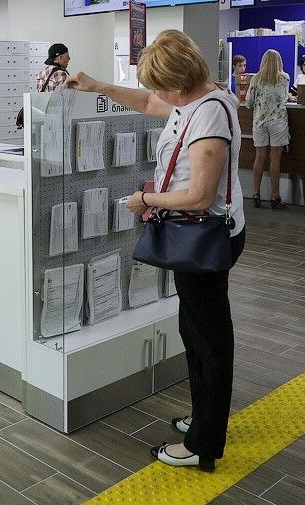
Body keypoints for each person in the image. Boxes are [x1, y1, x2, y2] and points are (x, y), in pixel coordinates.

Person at [65, 29, 246, 473]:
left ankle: (204, 443)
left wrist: (144, 200)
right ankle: (205, 418)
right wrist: (98, 86)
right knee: (196, 331)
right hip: (200, 235)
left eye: (161, 86)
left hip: (203, 236)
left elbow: (200, 196)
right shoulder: (200, 100)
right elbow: (148, 104)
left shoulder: (208, 117)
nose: (156, 95)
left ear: (180, 84)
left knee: (209, 341)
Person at [245, 49, 290, 209]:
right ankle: (274, 196)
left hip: (259, 123)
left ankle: (256, 193)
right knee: (275, 159)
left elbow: (249, 102)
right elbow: (284, 98)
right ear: (279, 61)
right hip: (278, 122)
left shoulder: (255, 79)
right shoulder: (284, 78)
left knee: (259, 157)